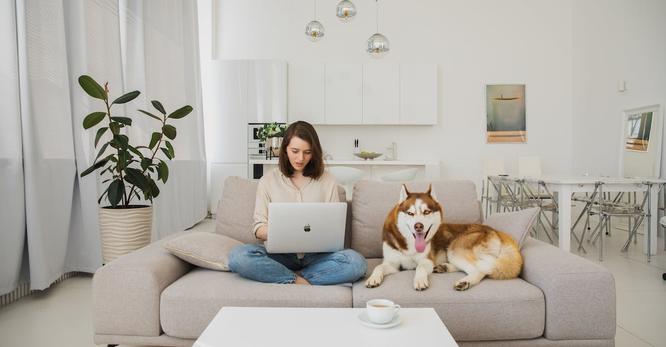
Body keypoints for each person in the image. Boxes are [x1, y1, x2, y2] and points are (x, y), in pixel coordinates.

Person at [228, 121, 367, 285]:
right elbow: (259, 229)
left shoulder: (327, 180)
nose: (301, 158)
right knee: (238, 256)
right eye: (295, 151)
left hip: (317, 255)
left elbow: (333, 227)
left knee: (356, 263)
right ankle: (298, 280)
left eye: (307, 152)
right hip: (280, 255)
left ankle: (287, 277)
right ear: (285, 149)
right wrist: (286, 233)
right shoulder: (268, 181)